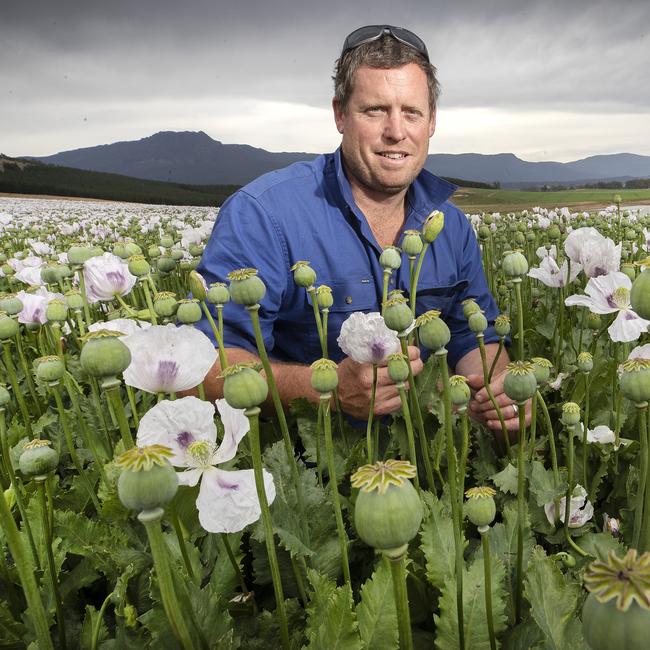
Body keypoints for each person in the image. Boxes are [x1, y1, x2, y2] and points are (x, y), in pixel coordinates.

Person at [196, 24, 526, 432]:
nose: (396, 131)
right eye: (375, 110)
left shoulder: (450, 226)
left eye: (411, 112)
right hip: (309, 472)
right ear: (340, 114)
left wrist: (499, 390)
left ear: (432, 121)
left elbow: (473, 338)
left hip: (431, 468)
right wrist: (329, 392)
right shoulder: (264, 215)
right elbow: (206, 367)